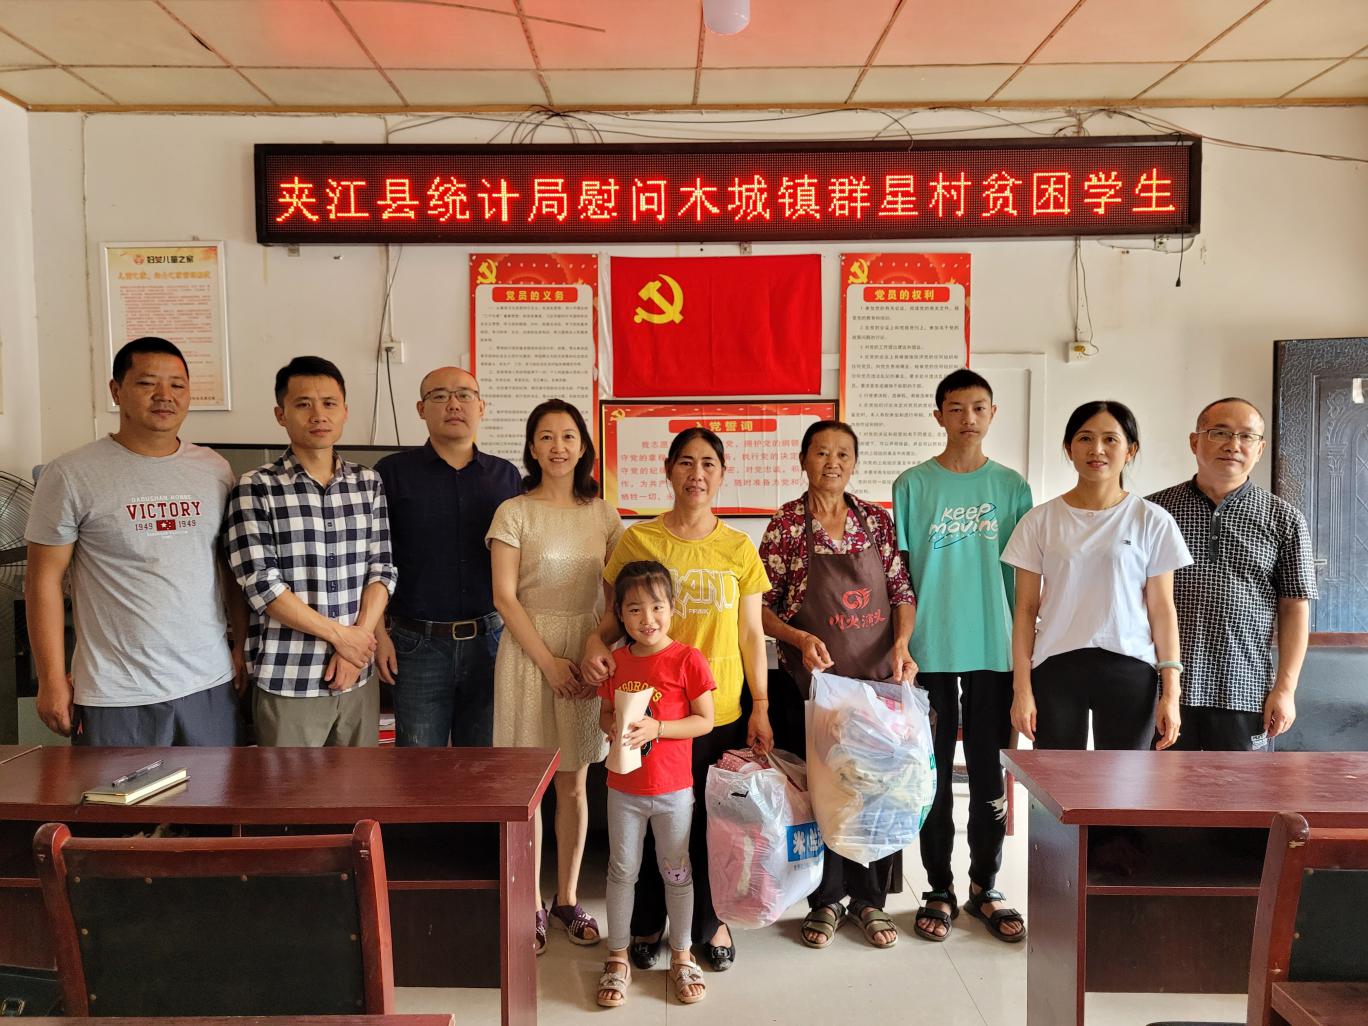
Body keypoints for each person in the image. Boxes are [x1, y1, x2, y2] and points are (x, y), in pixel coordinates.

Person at [582, 427, 771, 974]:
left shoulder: (738, 547)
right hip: (649, 714)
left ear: (722, 473)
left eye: (709, 463)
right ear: (668, 470)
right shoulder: (639, 540)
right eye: (686, 462)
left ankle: (711, 922)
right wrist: (593, 643)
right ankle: (646, 923)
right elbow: (614, 616)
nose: (697, 474)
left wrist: (760, 703)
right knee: (646, 823)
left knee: (711, 827)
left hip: (716, 711)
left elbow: (752, 633)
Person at [24, 336, 245, 745]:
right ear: (116, 390)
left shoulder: (214, 469)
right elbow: (42, 581)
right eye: (147, 383)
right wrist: (50, 679)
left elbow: (229, 569)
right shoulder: (70, 474)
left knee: (215, 789)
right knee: (117, 791)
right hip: (116, 693)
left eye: (177, 385)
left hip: (209, 683)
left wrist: (242, 646)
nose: (164, 395)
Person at [759, 419, 916, 951]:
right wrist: (799, 637)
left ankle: (870, 900)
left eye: (843, 454)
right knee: (820, 788)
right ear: (803, 459)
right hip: (811, 686)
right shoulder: (785, 525)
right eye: (821, 452)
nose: (832, 462)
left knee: (875, 786)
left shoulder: (875, 520)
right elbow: (760, 609)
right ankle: (825, 899)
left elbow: (901, 592)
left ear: (854, 463)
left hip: (874, 684)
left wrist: (902, 644)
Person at [891, 369, 1033, 944]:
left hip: (994, 651)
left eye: (978, 407)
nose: (968, 418)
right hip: (928, 651)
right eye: (956, 408)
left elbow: (1023, 582)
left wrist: (1025, 660)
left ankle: (985, 886)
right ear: (939, 416)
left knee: (988, 772)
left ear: (993, 414)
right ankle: (938, 888)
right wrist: (902, 643)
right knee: (931, 776)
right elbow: (899, 577)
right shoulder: (912, 485)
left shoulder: (1012, 487)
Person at [487, 399, 623, 954]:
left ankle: (567, 899)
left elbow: (615, 598)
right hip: (527, 653)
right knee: (531, 786)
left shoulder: (604, 515)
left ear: (583, 446)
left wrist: (595, 645)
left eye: (568, 436)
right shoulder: (513, 511)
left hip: (586, 651)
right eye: (546, 436)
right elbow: (504, 597)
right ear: (532, 447)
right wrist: (547, 662)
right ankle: (531, 905)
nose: (558, 446)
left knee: (573, 781)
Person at [1003, 400, 1192, 761]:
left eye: (1110, 439)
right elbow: (1024, 610)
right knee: (1056, 781)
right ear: (1068, 448)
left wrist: (1171, 691)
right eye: (1085, 438)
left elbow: (1162, 610)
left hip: (1130, 667)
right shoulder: (1039, 521)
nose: (1097, 450)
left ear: (1130, 450)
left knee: (1126, 784)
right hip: (1056, 667)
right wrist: (1021, 689)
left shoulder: (1152, 520)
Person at [225, 356, 395, 747]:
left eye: (329, 403)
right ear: (280, 414)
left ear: (345, 411)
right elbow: (262, 586)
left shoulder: (367, 482)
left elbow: (382, 569)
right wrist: (344, 639)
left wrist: (355, 644)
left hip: (358, 677)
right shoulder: (256, 487)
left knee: (360, 785)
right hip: (289, 678)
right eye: (303, 404)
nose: (318, 414)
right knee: (291, 789)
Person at [1147, 398, 1316, 751]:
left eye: (1246, 436)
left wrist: (1285, 689)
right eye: (1219, 433)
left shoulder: (1284, 520)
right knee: (1159, 786)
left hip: (1244, 690)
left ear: (1260, 449)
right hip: (1160, 690)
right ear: (1195, 441)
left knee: (1242, 788)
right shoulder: (1153, 512)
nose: (1233, 445)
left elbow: (1295, 607)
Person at [373, 367, 520, 747]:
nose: (453, 404)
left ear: (481, 407)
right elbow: (371, 557)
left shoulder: (506, 477)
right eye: (439, 396)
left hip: (491, 641)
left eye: (464, 395)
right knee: (420, 768)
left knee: (483, 766)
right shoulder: (390, 474)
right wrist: (378, 635)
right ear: (421, 409)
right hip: (415, 643)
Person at [595, 561, 713, 1008]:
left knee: (677, 872)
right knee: (621, 871)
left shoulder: (687, 659)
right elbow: (606, 713)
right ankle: (617, 956)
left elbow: (705, 720)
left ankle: (682, 955)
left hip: (673, 792)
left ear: (672, 608)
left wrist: (658, 728)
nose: (648, 619)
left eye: (657, 607)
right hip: (623, 790)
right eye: (635, 609)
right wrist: (612, 725)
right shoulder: (618, 662)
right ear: (620, 615)